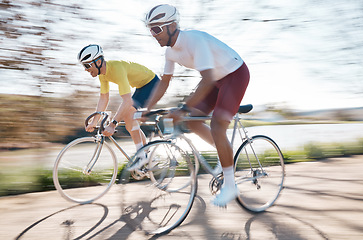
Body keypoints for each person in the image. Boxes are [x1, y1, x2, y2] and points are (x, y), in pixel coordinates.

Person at [143, 4, 250, 207]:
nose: (153, 35)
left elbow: (207, 79)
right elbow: (164, 82)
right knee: (192, 121)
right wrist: (147, 108)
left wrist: (183, 108)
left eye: (156, 29)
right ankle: (224, 152)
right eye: (150, 30)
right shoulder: (170, 53)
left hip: (235, 74)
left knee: (218, 125)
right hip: (216, 81)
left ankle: (230, 185)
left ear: (172, 25)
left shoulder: (194, 40)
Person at [77, 44, 159, 154]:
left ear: (99, 62)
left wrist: (112, 124)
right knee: (129, 121)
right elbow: (104, 98)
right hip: (141, 87)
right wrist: (94, 121)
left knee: (128, 112)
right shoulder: (102, 75)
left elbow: (127, 101)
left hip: (153, 84)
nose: (86, 69)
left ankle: (141, 156)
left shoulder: (117, 69)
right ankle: (147, 156)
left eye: (87, 65)